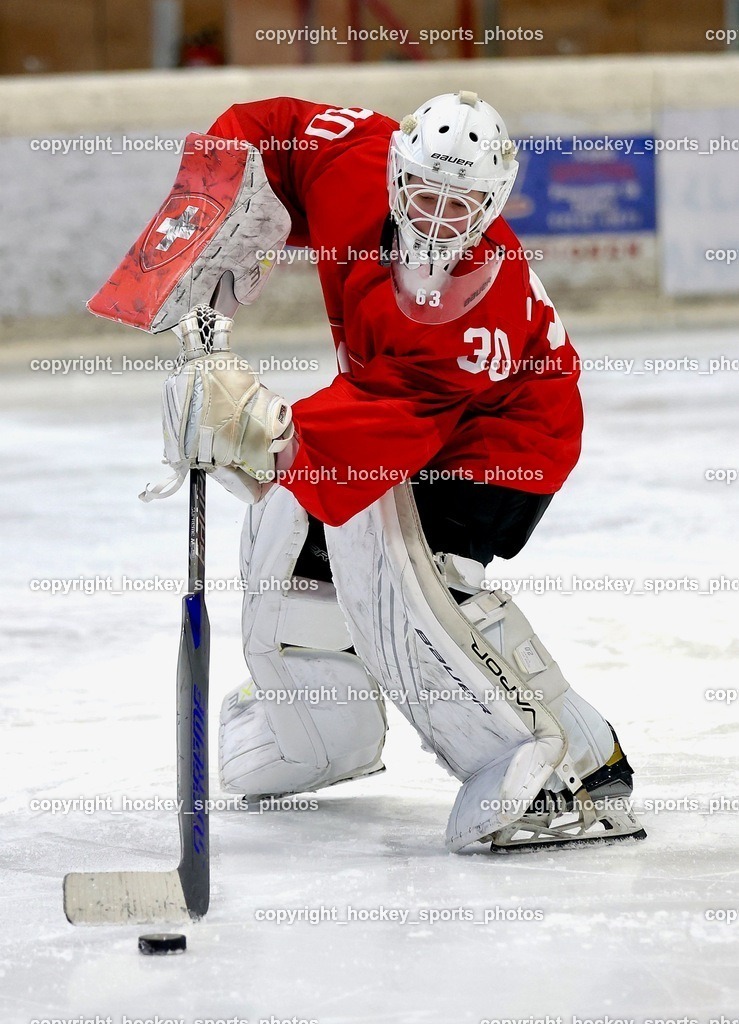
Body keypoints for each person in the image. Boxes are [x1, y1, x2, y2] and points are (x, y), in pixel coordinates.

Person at [110, 91, 646, 851]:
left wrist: (259, 428)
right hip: (403, 408)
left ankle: (574, 769)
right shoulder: (353, 161)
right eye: (423, 193)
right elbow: (271, 126)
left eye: (461, 205)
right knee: (289, 533)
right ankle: (322, 731)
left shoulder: (470, 304)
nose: (437, 218)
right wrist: (227, 200)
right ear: (394, 171)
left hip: (502, 442)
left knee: (407, 582)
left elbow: (391, 423)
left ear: (493, 201)